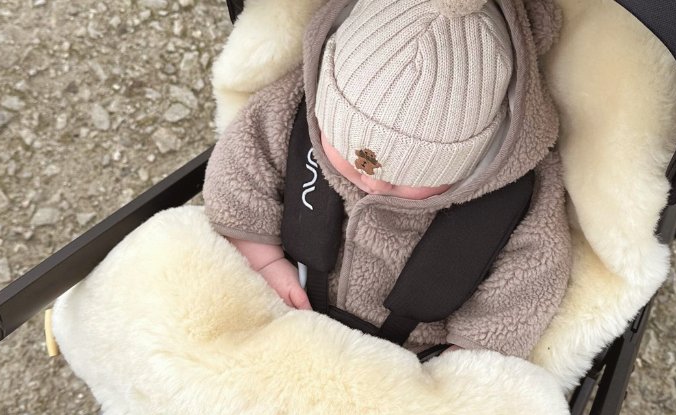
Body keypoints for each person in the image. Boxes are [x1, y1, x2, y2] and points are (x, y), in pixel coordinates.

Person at [203, 0, 569, 359]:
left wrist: (470, 355)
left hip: (414, 360)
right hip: (285, 306)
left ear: (479, 155)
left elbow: (532, 277)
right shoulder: (295, 109)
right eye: (349, 158)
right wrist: (264, 261)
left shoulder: (514, 192)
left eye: (405, 180)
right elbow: (240, 169)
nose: (373, 186)